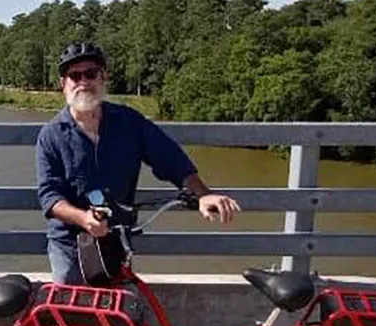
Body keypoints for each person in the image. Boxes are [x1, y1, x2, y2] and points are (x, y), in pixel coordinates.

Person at [36, 41, 241, 285]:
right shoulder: (51, 135)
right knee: (68, 313)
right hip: (70, 245)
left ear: (103, 78)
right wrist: (83, 219)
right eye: (74, 75)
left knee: (118, 316)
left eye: (90, 74)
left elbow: (170, 158)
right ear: (63, 84)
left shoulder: (129, 123)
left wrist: (203, 194)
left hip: (116, 238)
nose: (83, 82)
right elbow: (49, 196)